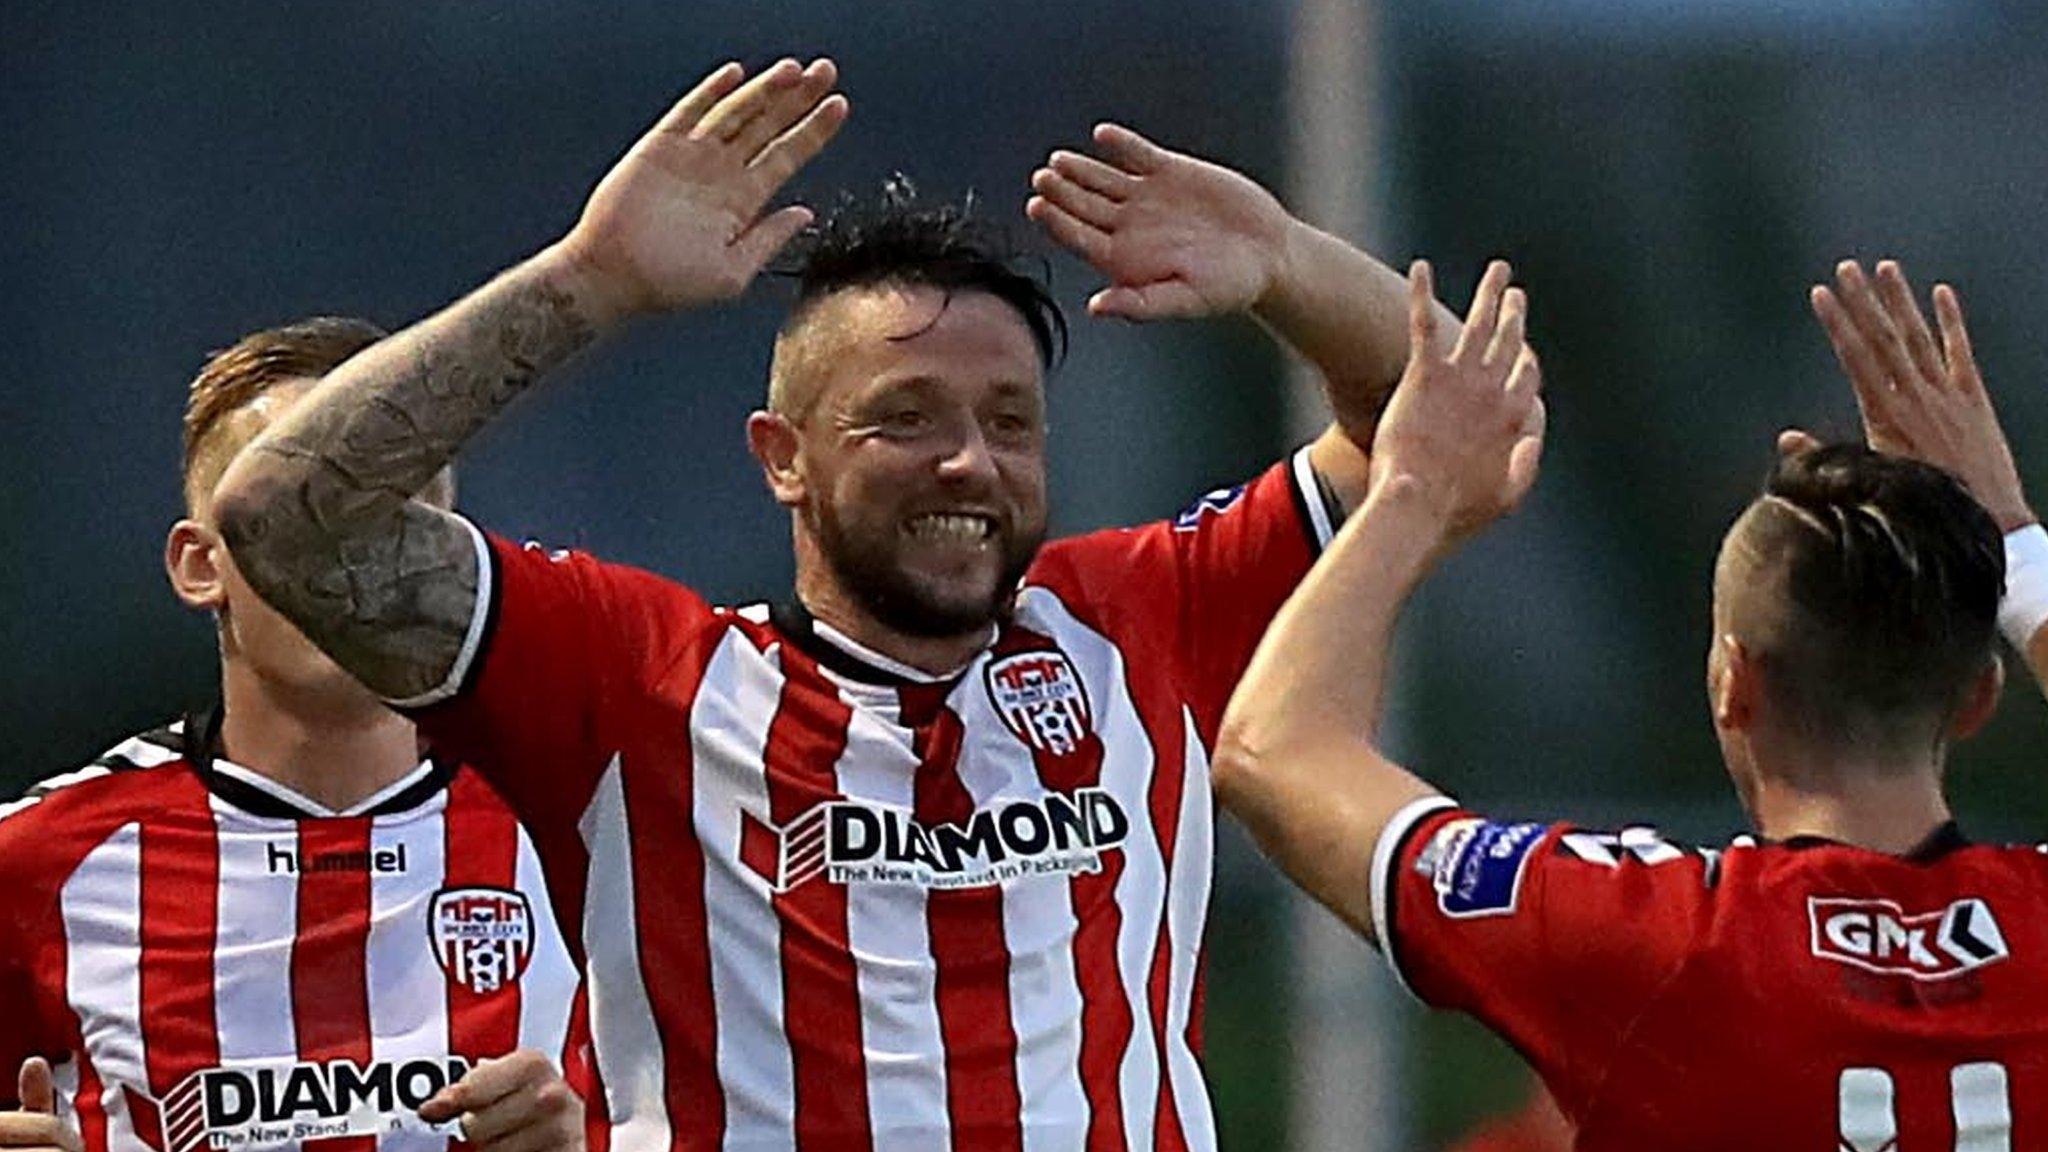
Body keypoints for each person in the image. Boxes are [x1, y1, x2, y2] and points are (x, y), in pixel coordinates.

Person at [206, 56, 1486, 1147]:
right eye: (903, 420)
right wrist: (588, 279)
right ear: (781, 456)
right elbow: (286, 520)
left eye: (1007, 422)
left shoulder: (1130, 620)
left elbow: (1450, 426)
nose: (967, 463)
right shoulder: (640, 677)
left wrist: (1281, 263)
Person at [1212, 255, 2048, 1149]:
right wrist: (2015, 542)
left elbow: (1274, 747)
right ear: (1979, 697)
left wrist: (1411, 492)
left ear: (1733, 685)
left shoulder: (1647, 937)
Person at [0, 318, 587, 1151]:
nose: (347, 562)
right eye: (299, 517)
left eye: (394, 516)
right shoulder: (36, 861)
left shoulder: (591, 832)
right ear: (200, 566)